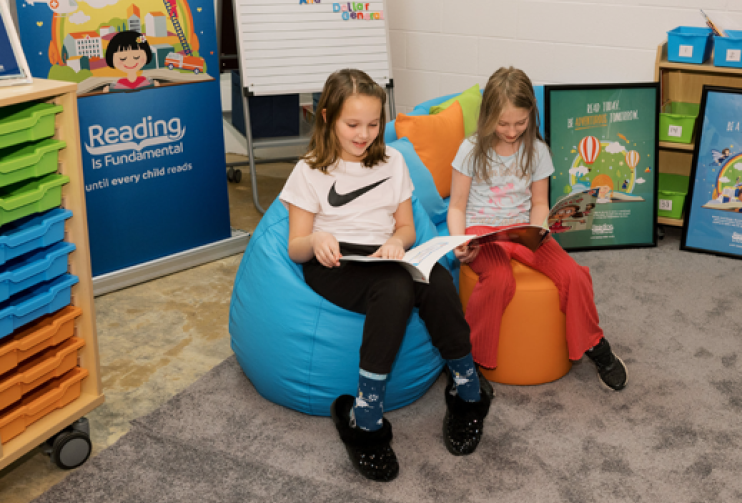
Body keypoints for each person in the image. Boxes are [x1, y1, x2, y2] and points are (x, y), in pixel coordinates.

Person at [280, 69, 492, 482]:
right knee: (396, 288)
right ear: (326, 117)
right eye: (352, 125)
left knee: (435, 278)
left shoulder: (393, 161)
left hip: (385, 254)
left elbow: (407, 228)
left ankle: (468, 389)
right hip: (333, 262)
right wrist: (319, 238)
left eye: (374, 124)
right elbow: (295, 246)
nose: (364, 134)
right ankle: (367, 416)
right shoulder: (308, 170)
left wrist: (398, 241)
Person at [447, 67, 628, 392]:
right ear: (487, 116)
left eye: (520, 122)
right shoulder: (470, 149)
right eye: (502, 123)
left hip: (523, 229)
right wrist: (460, 241)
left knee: (572, 274)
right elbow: (457, 205)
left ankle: (595, 344)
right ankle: (469, 363)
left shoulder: (538, 151)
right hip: (483, 231)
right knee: (499, 279)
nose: (512, 131)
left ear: (532, 114)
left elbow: (540, 202)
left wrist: (540, 226)